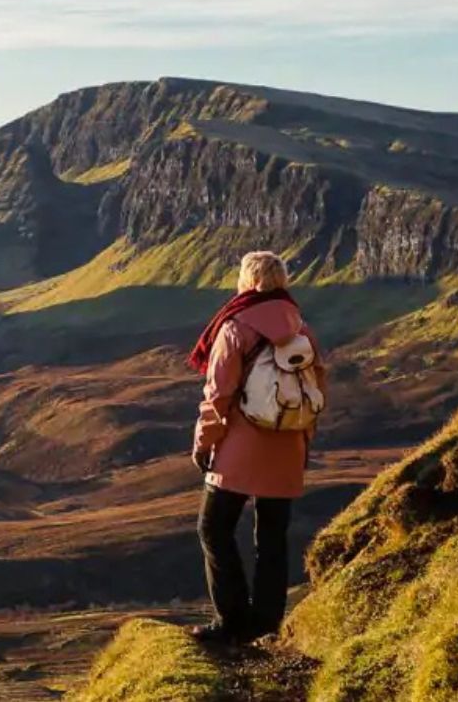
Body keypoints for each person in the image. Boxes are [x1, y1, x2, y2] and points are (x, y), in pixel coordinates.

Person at [187, 251, 324, 643]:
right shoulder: (302, 329)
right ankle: (265, 624)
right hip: (288, 447)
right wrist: (302, 441)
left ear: (247, 281)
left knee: (213, 527)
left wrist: (203, 444)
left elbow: (218, 396)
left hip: (239, 448)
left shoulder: (234, 328)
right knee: (272, 538)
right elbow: (317, 390)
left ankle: (231, 621)